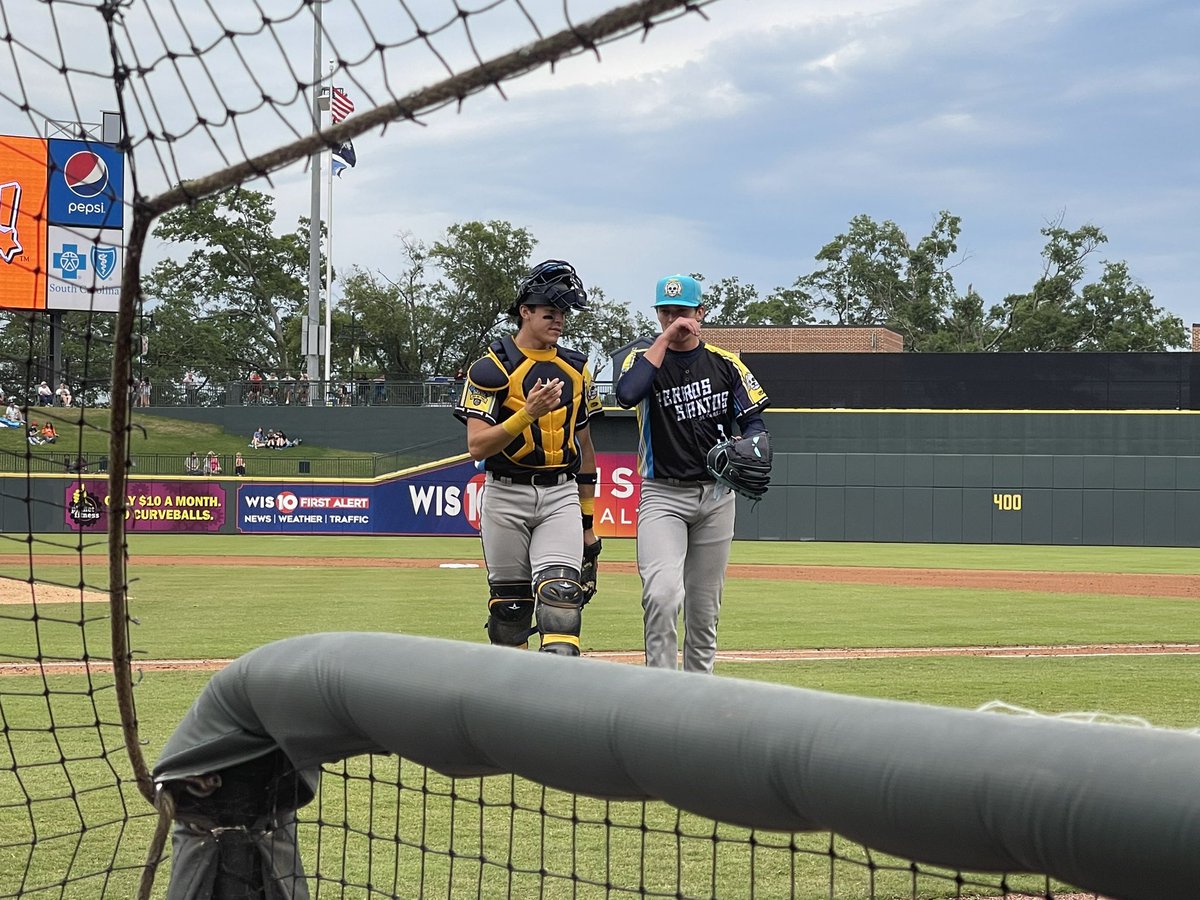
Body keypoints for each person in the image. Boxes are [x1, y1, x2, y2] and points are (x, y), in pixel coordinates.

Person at [614, 274, 770, 674]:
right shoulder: (643, 360)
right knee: (662, 596)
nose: (674, 320)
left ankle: (699, 694)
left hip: (716, 497)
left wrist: (751, 442)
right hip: (662, 495)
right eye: (665, 312)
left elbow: (754, 422)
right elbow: (627, 394)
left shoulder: (725, 362)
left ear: (701, 313)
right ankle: (661, 693)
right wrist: (664, 341)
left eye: (682, 312)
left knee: (704, 611)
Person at [453, 259, 603, 657]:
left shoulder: (577, 369)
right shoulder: (490, 367)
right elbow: (477, 447)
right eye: (550, 312)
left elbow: (585, 448)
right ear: (525, 312)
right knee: (510, 608)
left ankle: (557, 704)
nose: (559, 321)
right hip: (505, 494)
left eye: (563, 313)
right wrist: (527, 414)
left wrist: (588, 525)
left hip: (560, 494)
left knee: (562, 595)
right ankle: (512, 708)